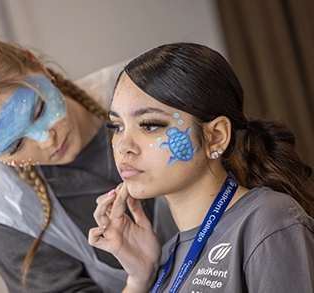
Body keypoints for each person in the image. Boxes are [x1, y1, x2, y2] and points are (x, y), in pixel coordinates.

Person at [0, 35, 177, 293]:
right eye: (15, 146)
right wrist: (139, 280)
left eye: (39, 111)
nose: (46, 140)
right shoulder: (9, 213)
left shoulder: (141, 88)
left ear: (37, 65)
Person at [88, 42, 314, 293]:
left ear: (215, 136)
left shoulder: (269, 220)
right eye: (117, 126)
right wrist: (139, 279)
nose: (123, 146)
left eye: (150, 124)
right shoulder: (166, 256)